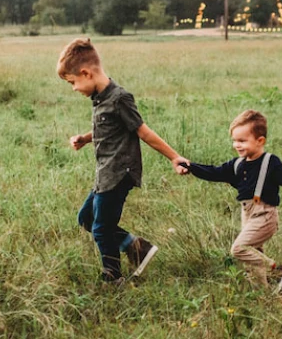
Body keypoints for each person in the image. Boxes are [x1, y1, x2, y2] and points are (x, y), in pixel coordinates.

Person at [57, 38, 188, 286]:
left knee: (101, 229)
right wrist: (86, 138)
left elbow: (143, 131)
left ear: (86, 73)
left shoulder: (119, 98)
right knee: (86, 218)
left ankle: (113, 278)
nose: (74, 88)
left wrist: (175, 157)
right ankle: (137, 247)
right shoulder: (100, 99)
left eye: (73, 82)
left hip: (118, 173)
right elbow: (108, 129)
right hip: (104, 173)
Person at [179, 109, 282, 292]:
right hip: (247, 214)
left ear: (260, 141)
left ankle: (277, 270)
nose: (237, 145)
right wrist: (191, 167)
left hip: (265, 214)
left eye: (242, 141)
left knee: (239, 249)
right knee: (253, 257)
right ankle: (262, 293)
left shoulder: (270, 162)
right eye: (235, 140)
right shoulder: (237, 164)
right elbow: (214, 172)